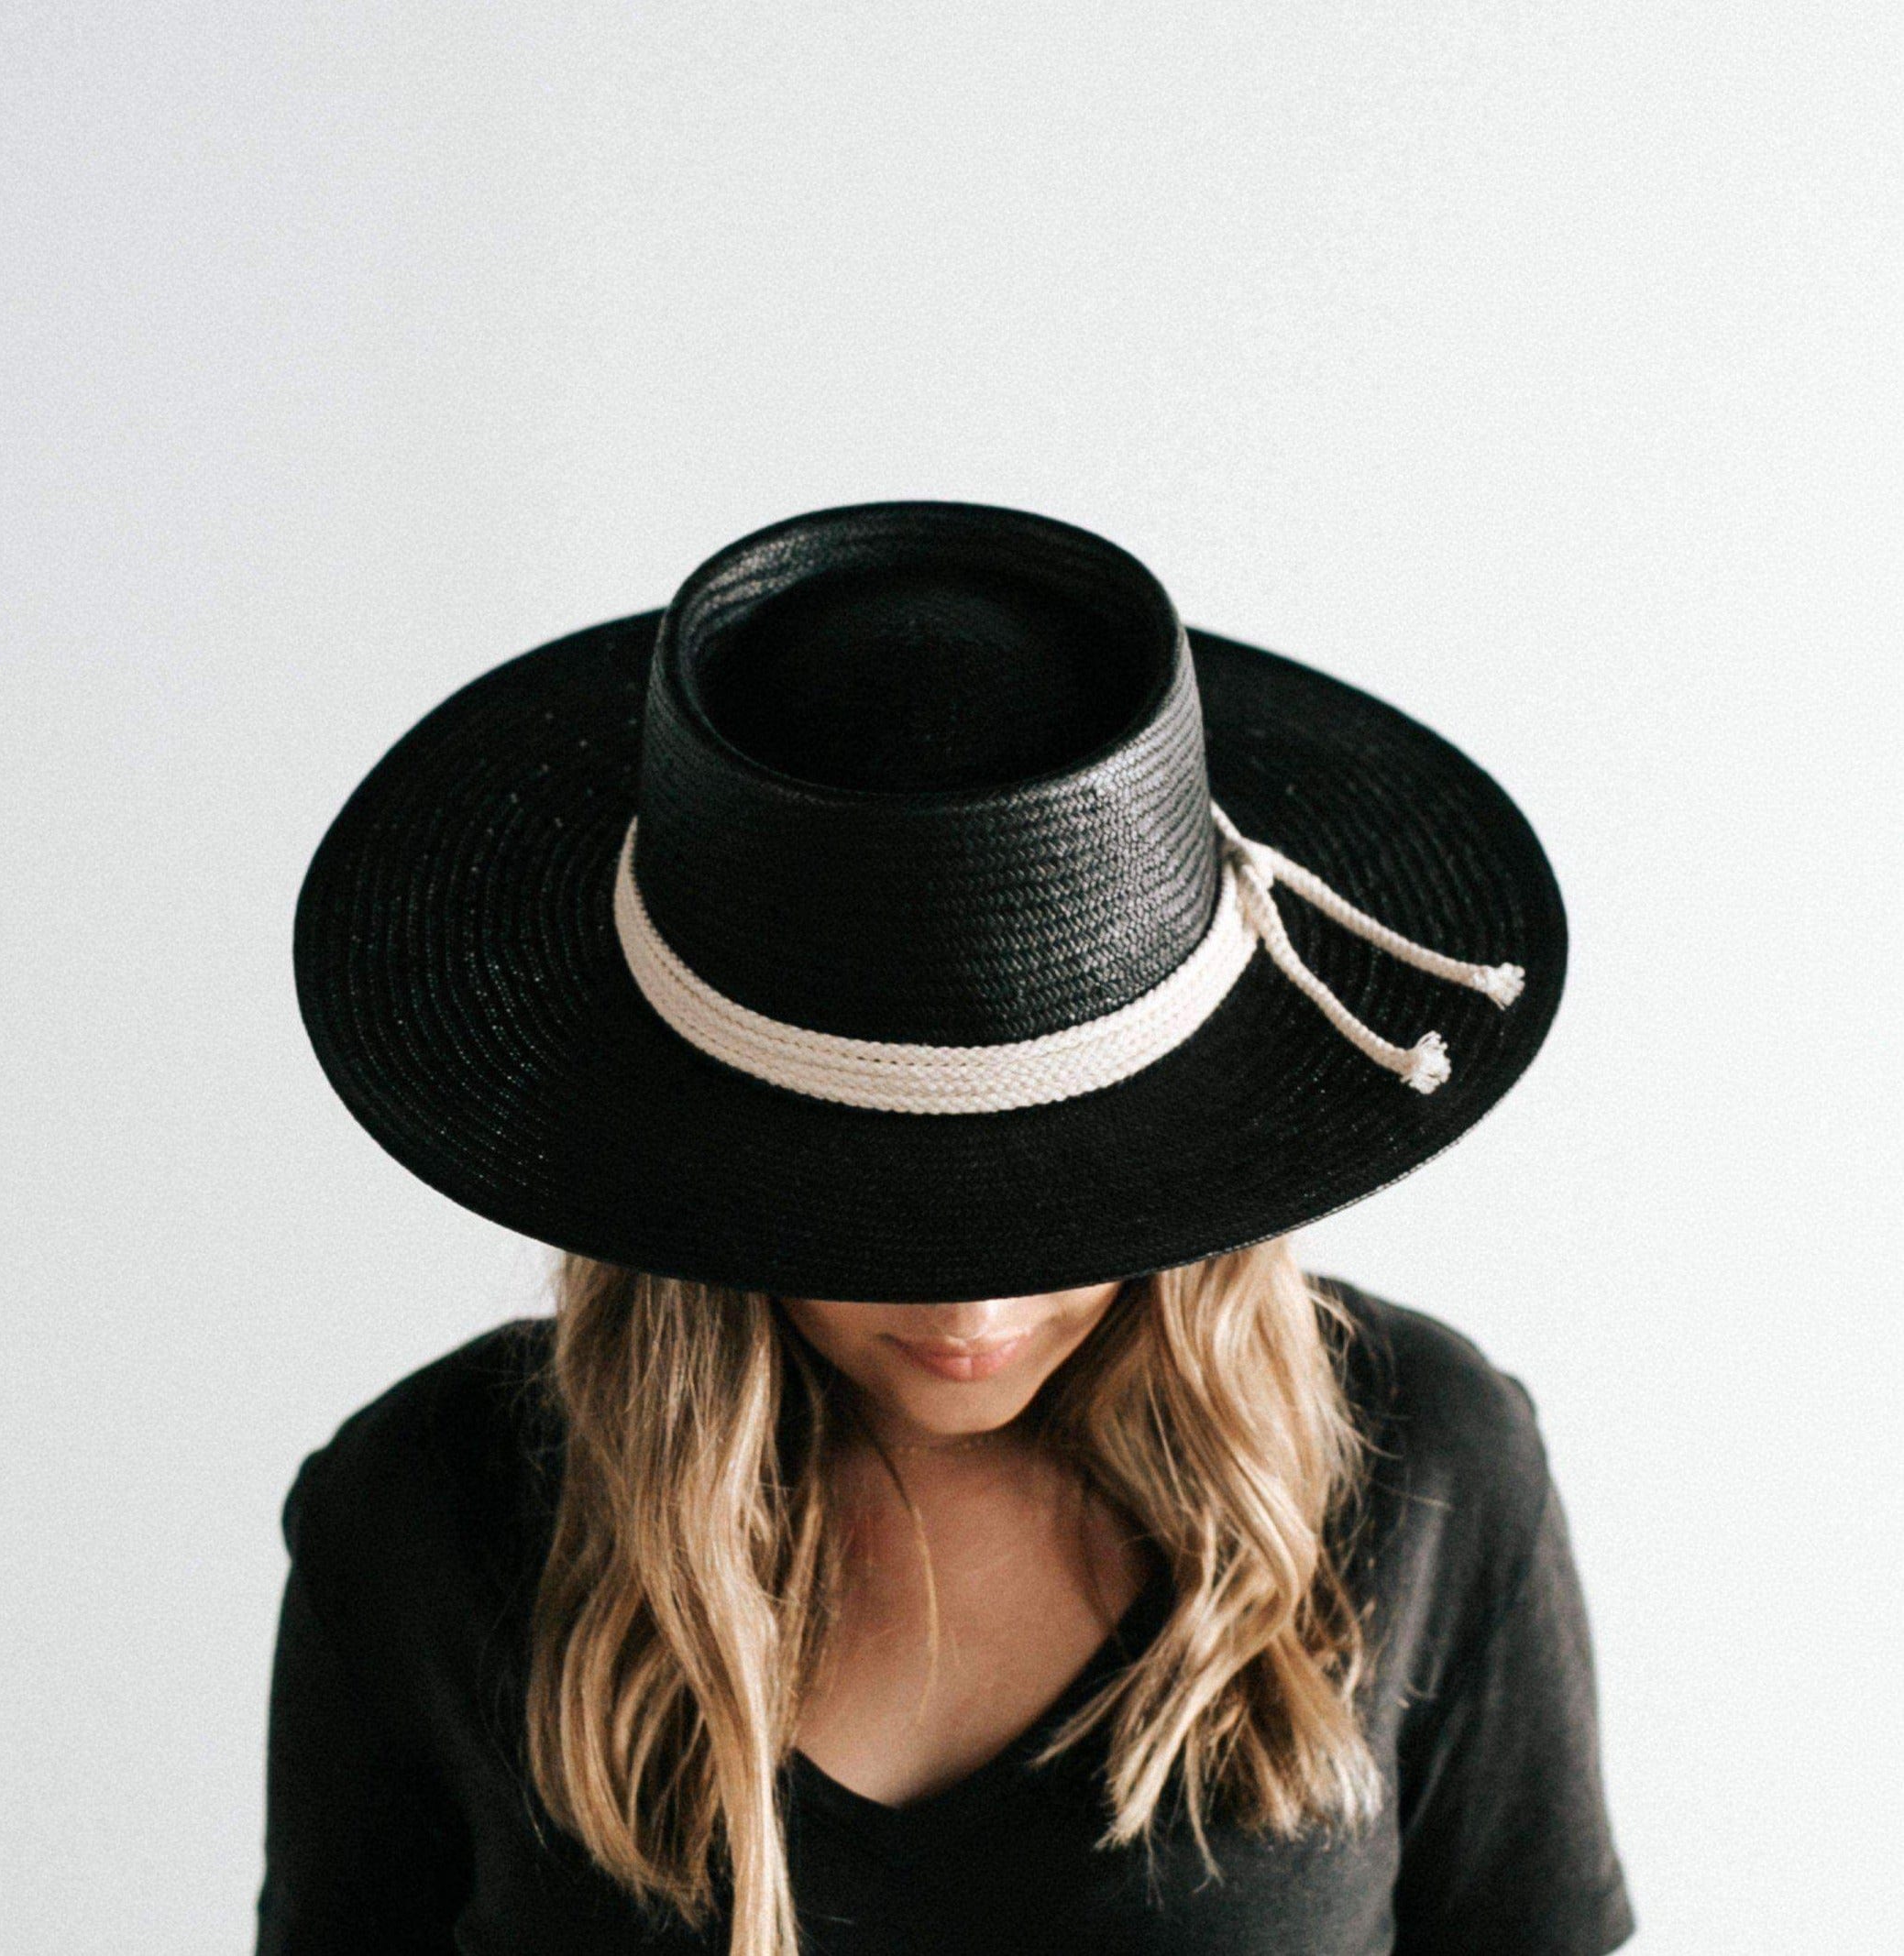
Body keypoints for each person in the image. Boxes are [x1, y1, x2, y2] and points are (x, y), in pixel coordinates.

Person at [263, 501, 1634, 1955]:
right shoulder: (427, 1510)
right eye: (874, 1219)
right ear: (699, 1153)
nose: (975, 1316)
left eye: (1058, 1204)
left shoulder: (1421, 1463)